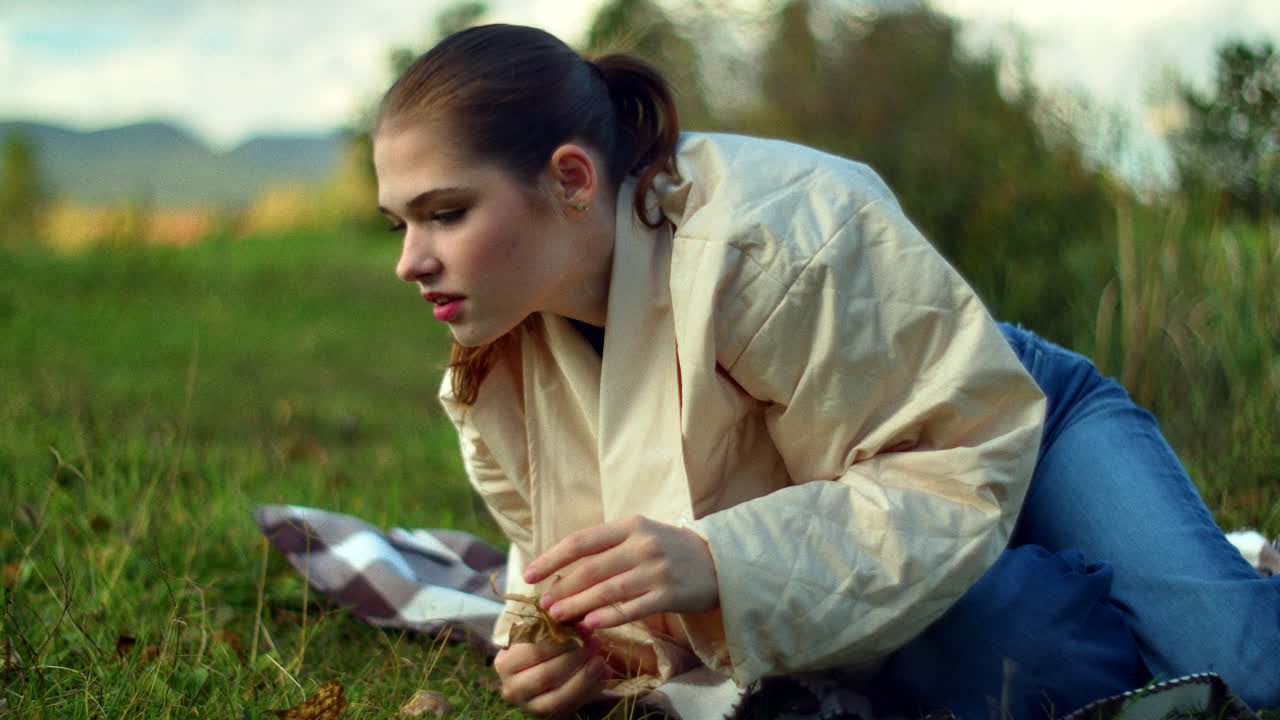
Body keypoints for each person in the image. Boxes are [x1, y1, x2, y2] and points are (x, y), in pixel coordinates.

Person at [372, 23, 1280, 719]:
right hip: (862, 518)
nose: (411, 260)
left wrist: (716, 561)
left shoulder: (778, 238)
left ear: (571, 180)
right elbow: (597, 575)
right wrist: (586, 655)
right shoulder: (497, 368)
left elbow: (950, 464)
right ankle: (1075, 585)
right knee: (1016, 656)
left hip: (989, 417)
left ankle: (1185, 573)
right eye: (398, 224)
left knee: (1246, 670)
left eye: (444, 213)